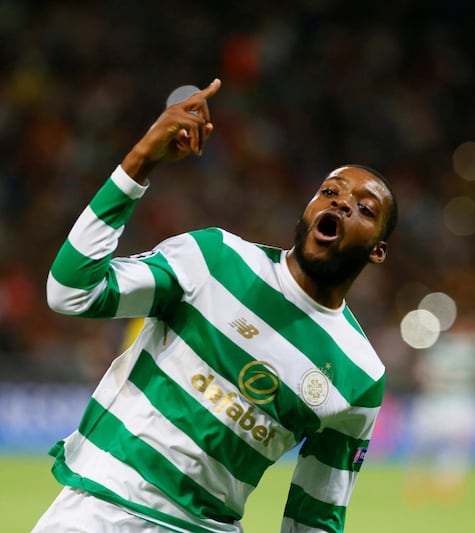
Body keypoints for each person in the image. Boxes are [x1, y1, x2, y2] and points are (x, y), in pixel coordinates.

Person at [32, 78, 399, 532]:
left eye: (365, 209)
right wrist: (139, 161)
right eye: (330, 191)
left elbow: (316, 514)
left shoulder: (360, 374)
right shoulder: (215, 259)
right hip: (101, 511)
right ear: (307, 209)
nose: (342, 203)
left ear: (377, 250)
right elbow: (72, 291)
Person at [404, 313, 475, 501]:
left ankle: (448, 483)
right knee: (425, 446)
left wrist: (439, 378)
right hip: (436, 403)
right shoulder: (443, 348)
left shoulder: (473, 350)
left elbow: (424, 373)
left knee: (457, 447)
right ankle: (418, 481)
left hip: (459, 403)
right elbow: (422, 373)